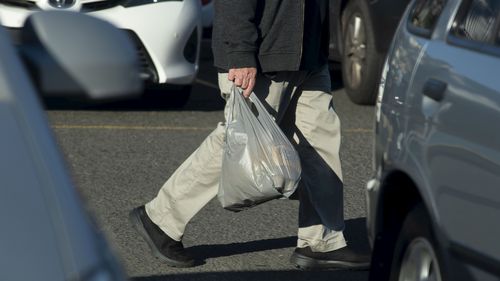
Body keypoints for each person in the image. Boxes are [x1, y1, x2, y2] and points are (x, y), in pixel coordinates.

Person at [129, 0, 370, 269]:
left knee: (321, 142)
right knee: (239, 142)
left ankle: (321, 242)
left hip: (309, 54)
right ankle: (160, 219)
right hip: (263, 56)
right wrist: (240, 53)